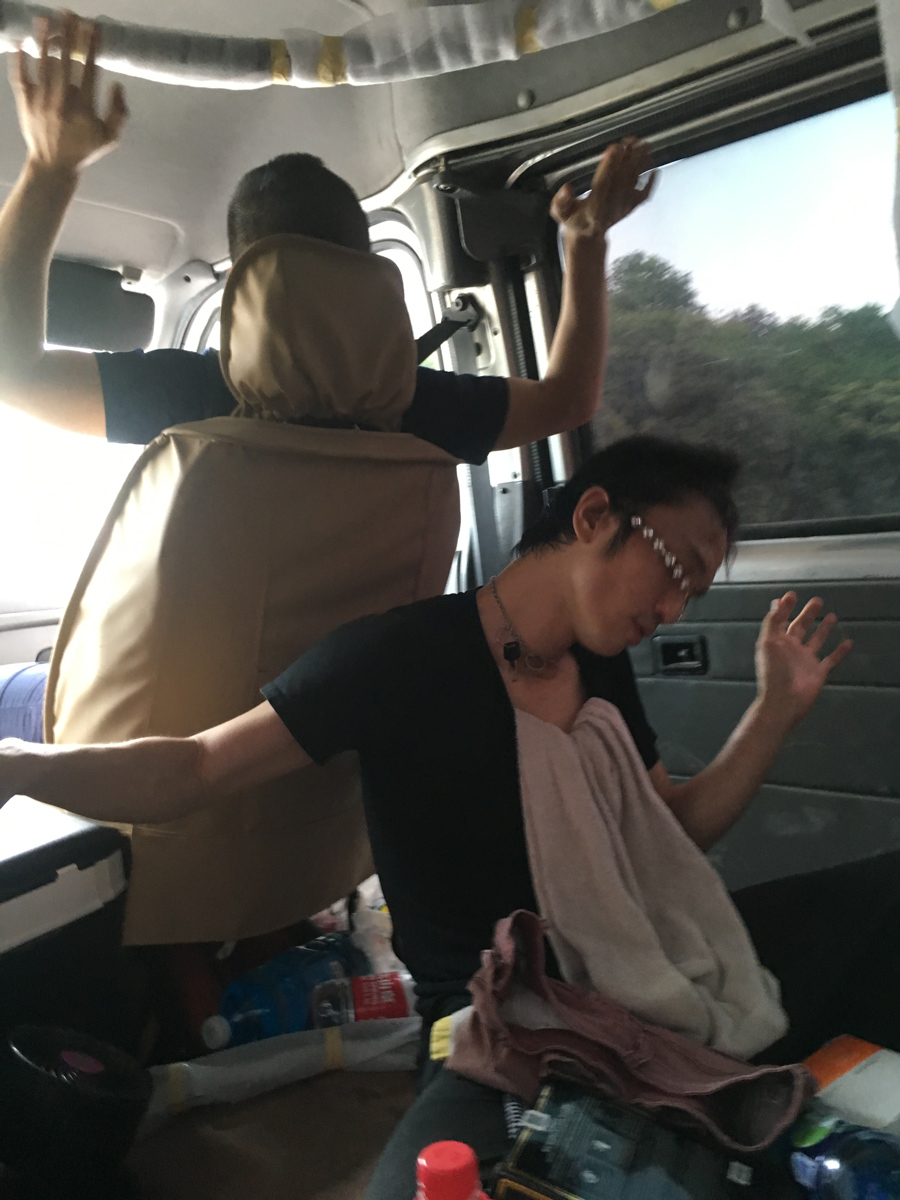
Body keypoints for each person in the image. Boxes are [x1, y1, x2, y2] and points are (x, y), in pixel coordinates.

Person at [6, 432, 892, 1200]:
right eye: (675, 569)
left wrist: (774, 713)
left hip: (642, 961)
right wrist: (16, 762)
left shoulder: (599, 666)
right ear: (594, 516)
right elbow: (195, 767)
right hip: (503, 1023)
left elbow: (672, 833)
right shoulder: (400, 656)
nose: (670, 611)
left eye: (692, 596)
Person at [0, 11, 654, 462]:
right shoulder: (420, 408)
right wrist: (584, 243)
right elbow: (569, 401)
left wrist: (50, 170)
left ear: (242, 286)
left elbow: (14, 373)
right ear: (366, 270)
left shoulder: (196, 396)